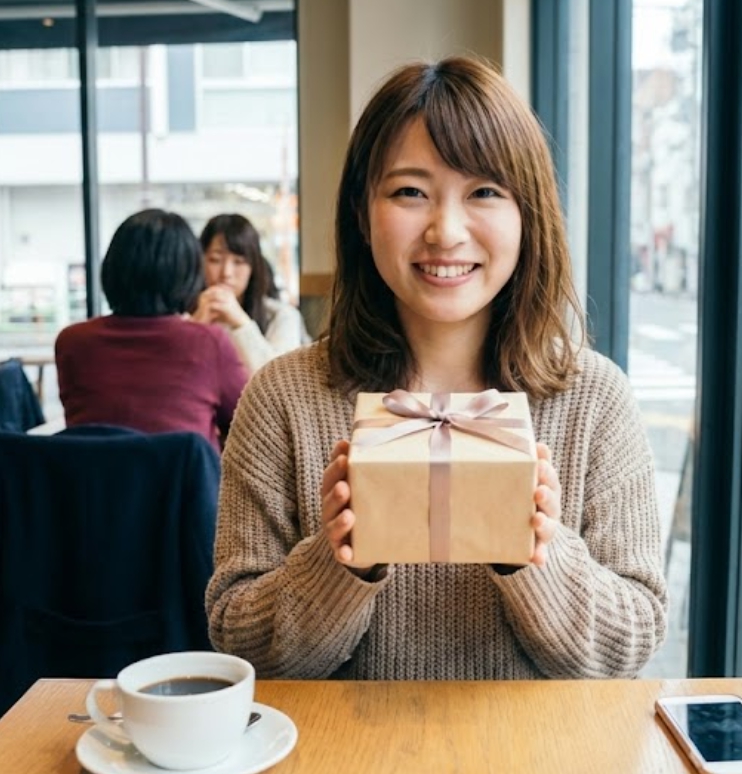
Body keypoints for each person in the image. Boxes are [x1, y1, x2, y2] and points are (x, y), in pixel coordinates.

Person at [206, 56, 668, 680]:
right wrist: (338, 563)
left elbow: (633, 642)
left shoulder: (594, 398)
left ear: (527, 216)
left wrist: (538, 552)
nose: (446, 232)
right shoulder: (283, 398)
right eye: (409, 192)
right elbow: (238, 641)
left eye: (484, 192)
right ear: (362, 216)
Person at [55, 209, 247, 453]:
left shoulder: (72, 342)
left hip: (90, 489)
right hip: (185, 489)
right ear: (187, 273)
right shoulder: (208, 342)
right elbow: (249, 423)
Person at [192, 214, 309, 375]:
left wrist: (240, 322)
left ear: (253, 267)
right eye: (215, 259)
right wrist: (196, 327)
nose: (226, 273)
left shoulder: (282, 316)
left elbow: (280, 383)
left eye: (238, 262)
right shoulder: (184, 313)